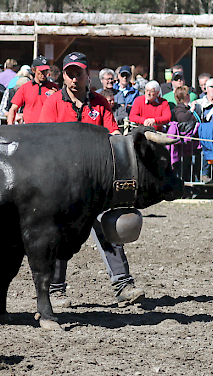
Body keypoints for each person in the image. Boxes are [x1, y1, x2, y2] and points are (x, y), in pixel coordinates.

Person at [39, 52, 144, 308]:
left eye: (79, 73)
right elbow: (41, 141)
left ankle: (122, 285)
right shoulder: (53, 103)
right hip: (61, 182)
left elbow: (114, 136)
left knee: (109, 226)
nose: (75, 79)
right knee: (60, 232)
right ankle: (56, 290)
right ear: (63, 75)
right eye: (70, 73)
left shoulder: (100, 103)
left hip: (96, 182)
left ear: (88, 75)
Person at [7, 57, 58, 124]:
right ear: (33, 70)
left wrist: (56, 97)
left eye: (45, 70)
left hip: (48, 128)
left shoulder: (54, 87)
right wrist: (10, 126)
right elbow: (13, 108)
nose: (43, 73)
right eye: (41, 71)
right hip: (29, 129)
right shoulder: (25, 87)